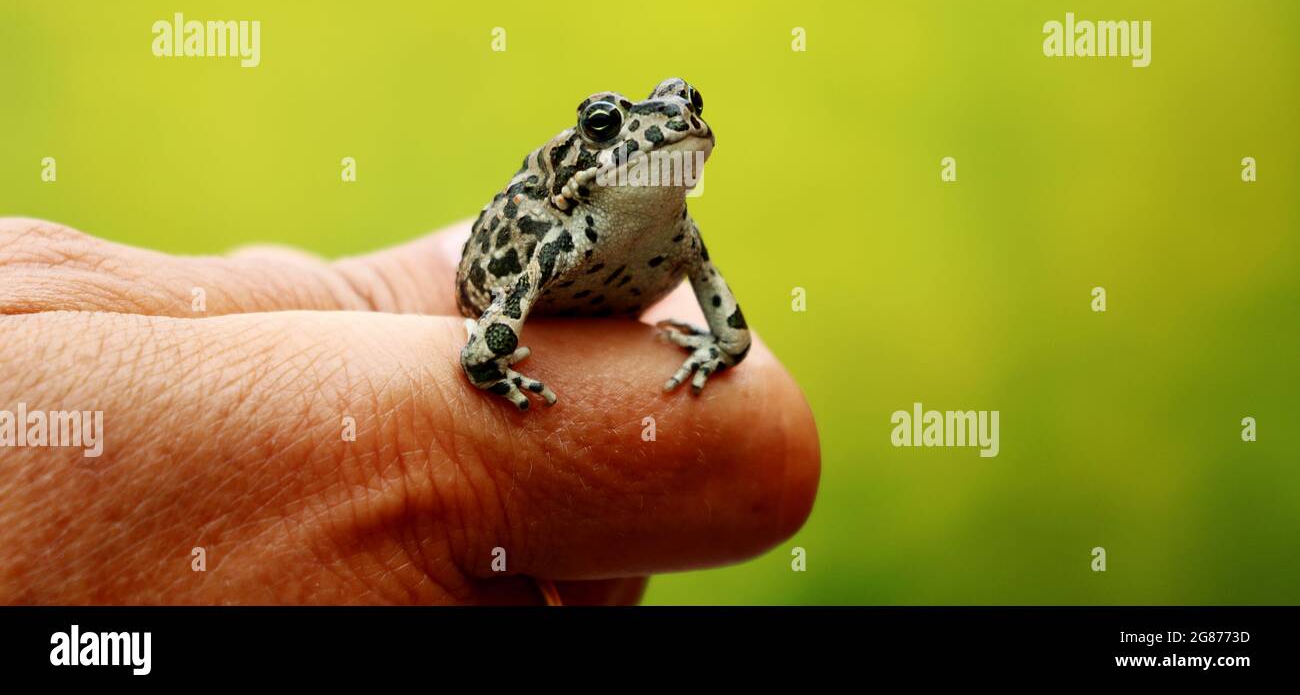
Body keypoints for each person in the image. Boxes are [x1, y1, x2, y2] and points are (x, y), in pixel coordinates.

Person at [0, 218, 819, 604]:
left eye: (690, 117)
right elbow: (482, 341)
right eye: (611, 128)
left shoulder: (678, 236)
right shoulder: (565, 229)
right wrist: (493, 366)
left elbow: (726, 320)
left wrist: (720, 349)